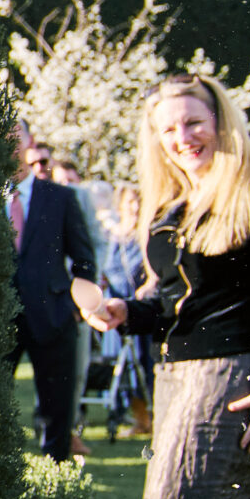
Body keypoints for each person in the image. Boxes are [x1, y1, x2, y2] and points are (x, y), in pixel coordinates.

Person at [85, 75, 250, 499]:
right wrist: (126, 313)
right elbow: (178, 305)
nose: (182, 139)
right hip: (177, 375)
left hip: (233, 376)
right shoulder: (171, 207)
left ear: (221, 122)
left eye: (194, 123)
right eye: (168, 130)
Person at [7, 120, 106, 463]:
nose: (7, 142)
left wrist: (78, 307)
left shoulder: (60, 197)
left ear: (29, 142)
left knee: (56, 414)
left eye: (14, 135)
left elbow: (84, 260)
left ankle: (58, 488)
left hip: (53, 316)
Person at [99, 184, 156, 440]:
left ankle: (151, 417)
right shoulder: (113, 237)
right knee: (121, 367)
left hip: (139, 305)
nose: (135, 207)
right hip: (115, 305)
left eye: (138, 201)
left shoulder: (146, 234)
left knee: (144, 362)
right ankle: (139, 418)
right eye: (130, 201)